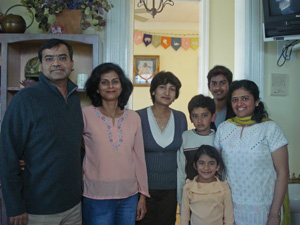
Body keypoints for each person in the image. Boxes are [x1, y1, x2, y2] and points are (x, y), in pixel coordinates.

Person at [0, 39, 83, 225]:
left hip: (73, 207)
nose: (56, 63)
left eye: (62, 57)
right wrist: (15, 206)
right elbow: (7, 155)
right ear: (41, 65)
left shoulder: (75, 98)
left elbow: (72, 146)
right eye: (49, 58)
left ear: (71, 64)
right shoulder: (24, 99)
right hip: (37, 209)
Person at [82, 63, 149, 225]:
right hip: (96, 196)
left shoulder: (134, 118)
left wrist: (143, 195)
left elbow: (139, 158)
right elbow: (69, 147)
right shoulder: (85, 114)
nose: (110, 86)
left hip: (129, 196)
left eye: (115, 81)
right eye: (104, 82)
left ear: (122, 86)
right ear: (97, 88)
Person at [214, 79, 289, 225]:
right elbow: (217, 168)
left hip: (263, 209)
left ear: (256, 102)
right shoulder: (224, 129)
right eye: (235, 100)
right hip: (230, 208)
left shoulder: (270, 128)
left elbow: (283, 173)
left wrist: (274, 214)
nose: (239, 103)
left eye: (245, 98)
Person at [136, 71, 187, 225]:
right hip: (144, 190)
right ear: (153, 91)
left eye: (172, 89)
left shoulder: (180, 118)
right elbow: (133, 156)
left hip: (171, 189)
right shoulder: (138, 117)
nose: (167, 92)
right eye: (162, 87)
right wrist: (140, 193)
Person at [177, 94, 217, 209]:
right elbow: (181, 171)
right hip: (191, 198)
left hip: (214, 198)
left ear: (213, 117)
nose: (199, 120)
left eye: (204, 115)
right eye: (195, 116)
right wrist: (181, 201)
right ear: (190, 118)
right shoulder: (186, 137)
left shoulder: (219, 138)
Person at [181, 145, 234, 225]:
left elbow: (229, 219)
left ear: (217, 167)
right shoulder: (189, 188)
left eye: (211, 163)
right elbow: (184, 218)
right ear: (195, 165)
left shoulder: (224, 189)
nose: (206, 168)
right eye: (201, 163)